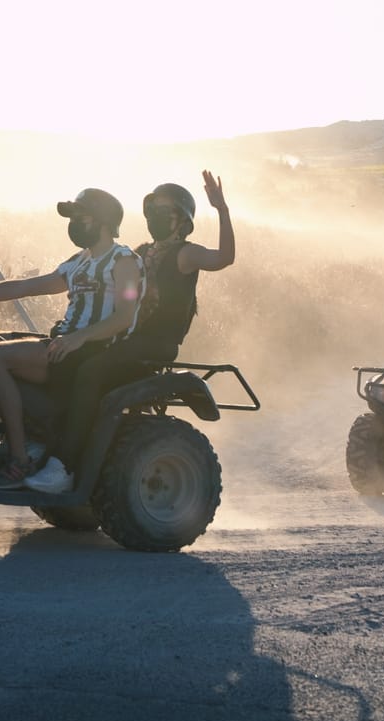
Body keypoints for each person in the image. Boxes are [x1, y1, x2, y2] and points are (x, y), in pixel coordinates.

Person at [31, 171, 237, 493]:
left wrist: (221, 209)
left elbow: (225, 258)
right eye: (152, 208)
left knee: (91, 371)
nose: (155, 215)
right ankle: (46, 445)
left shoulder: (186, 253)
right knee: (64, 361)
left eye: (164, 210)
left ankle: (66, 465)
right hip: (124, 337)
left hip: (154, 344)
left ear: (182, 220)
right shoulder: (139, 251)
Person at [0, 188, 144, 489]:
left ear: (105, 222)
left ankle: (20, 460)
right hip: (66, 344)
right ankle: (14, 441)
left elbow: (124, 316)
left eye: (83, 217)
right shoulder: (79, 261)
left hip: (92, 349)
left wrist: (79, 338)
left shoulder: (124, 261)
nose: (76, 224)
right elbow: (27, 287)